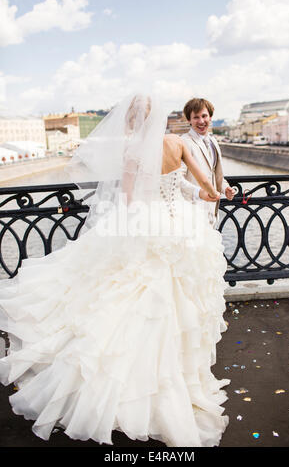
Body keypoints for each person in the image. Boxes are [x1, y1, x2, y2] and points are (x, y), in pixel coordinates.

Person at [0, 93, 230, 447]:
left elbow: (127, 199)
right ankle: (179, 376)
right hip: (182, 229)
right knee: (176, 305)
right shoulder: (176, 142)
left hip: (147, 227)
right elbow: (198, 184)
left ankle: (134, 384)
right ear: (159, 118)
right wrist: (211, 195)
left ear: (132, 121)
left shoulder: (132, 152)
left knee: (133, 303)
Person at [180, 98, 235, 228]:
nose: (201, 121)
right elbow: (177, 180)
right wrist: (199, 193)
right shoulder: (183, 142)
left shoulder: (213, 141)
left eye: (204, 116)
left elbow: (214, 173)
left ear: (210, 117)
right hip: (191, 213)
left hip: (211, 212)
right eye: (196, 117)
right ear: (189, 120)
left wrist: (225, 188)